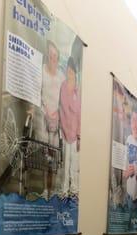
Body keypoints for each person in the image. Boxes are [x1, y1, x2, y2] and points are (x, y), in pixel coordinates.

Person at [41, 40, 65, 199]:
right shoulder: (41, 71)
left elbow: (64, 101)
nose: (53, 59)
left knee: (54, 159)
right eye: (50, 56)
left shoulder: (62, 77)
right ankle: (45, 189)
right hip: (43, 119)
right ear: (47, 56)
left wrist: (57, 113)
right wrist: (45, 111)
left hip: (57, 123)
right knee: (45, 159)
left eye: (55, 56)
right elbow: (38, 93)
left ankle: (53, 190)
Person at [59, 56, 81, 197]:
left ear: (75, 72)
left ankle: (74, 190)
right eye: (68, 70)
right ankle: (64, 189)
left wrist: (79, 135)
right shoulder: (63, 86)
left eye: (72, 71)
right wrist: (65, 130)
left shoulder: (77, 90)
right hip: (65, 130)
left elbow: (79, 113)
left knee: (74, 163)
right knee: (65, 162)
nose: (70, 73)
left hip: (76, 132)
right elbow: (64, 108)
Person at [123, 110, 137, 230]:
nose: (135, 125)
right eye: (133, 121)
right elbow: (122, 175)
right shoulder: (127, 140)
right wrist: (127, 173)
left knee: (134, 229)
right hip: (128, 198)